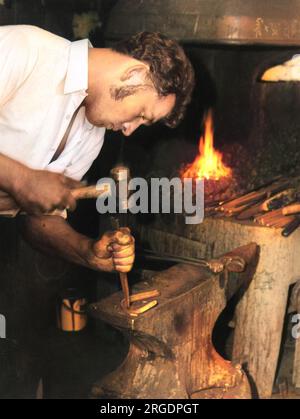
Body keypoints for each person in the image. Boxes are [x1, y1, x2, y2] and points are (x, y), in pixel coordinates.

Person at [0, 25, 195, 274]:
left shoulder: (92, 135)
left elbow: (38, 219)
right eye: (141, 115)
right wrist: (21, 179)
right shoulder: (25, 50)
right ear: (134, 72)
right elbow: (27, 185)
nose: (129, 130)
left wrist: (87, 251)